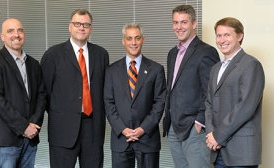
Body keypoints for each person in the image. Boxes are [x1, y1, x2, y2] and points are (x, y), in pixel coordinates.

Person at [41, 9, 109, 168]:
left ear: (91, 29)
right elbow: (45, 93)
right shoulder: (53, 54)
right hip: (63, 129)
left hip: (93, 129)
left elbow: (104, 91)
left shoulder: (101, 54)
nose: (81, 27)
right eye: (77, 23)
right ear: (69, 27)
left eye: (86, 24)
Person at [0, 18, 47, 168]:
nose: (16, 34)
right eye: (10, 31)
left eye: (20, 30)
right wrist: (24, 127)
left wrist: (33, 124)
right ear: (2, 36)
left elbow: (42, 96)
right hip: (5, 139)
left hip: (30, 139)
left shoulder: (33, 64)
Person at [162, 5, 220, 168]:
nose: (178, 27)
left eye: (183, 22)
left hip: (194, 128)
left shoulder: (206, 52)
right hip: (174, 126)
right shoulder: (172, 53)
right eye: (175, 23)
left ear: (194, 24)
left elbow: (212, 91)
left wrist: (199, 123)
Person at [104, 22, 166, 168]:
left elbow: (160, 103)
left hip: (147, 139)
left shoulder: (156, 69)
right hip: (121, 139)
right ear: (123, 41)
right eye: (129, 38)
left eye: (137, 38)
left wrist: (143, 129)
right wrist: (122, 129)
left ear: (143, 40)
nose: (133, 42)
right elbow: (108, 103)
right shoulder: (111, 70)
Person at [205, 17, 265, 168]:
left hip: (241, 152)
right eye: (219, 35)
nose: (222, 40)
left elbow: (246, 107)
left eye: (227, 35)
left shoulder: (251, 65)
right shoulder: (215, 69)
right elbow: (209, 103)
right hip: (217, 150)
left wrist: (217, 136)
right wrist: (211, 135)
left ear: (239, 36)